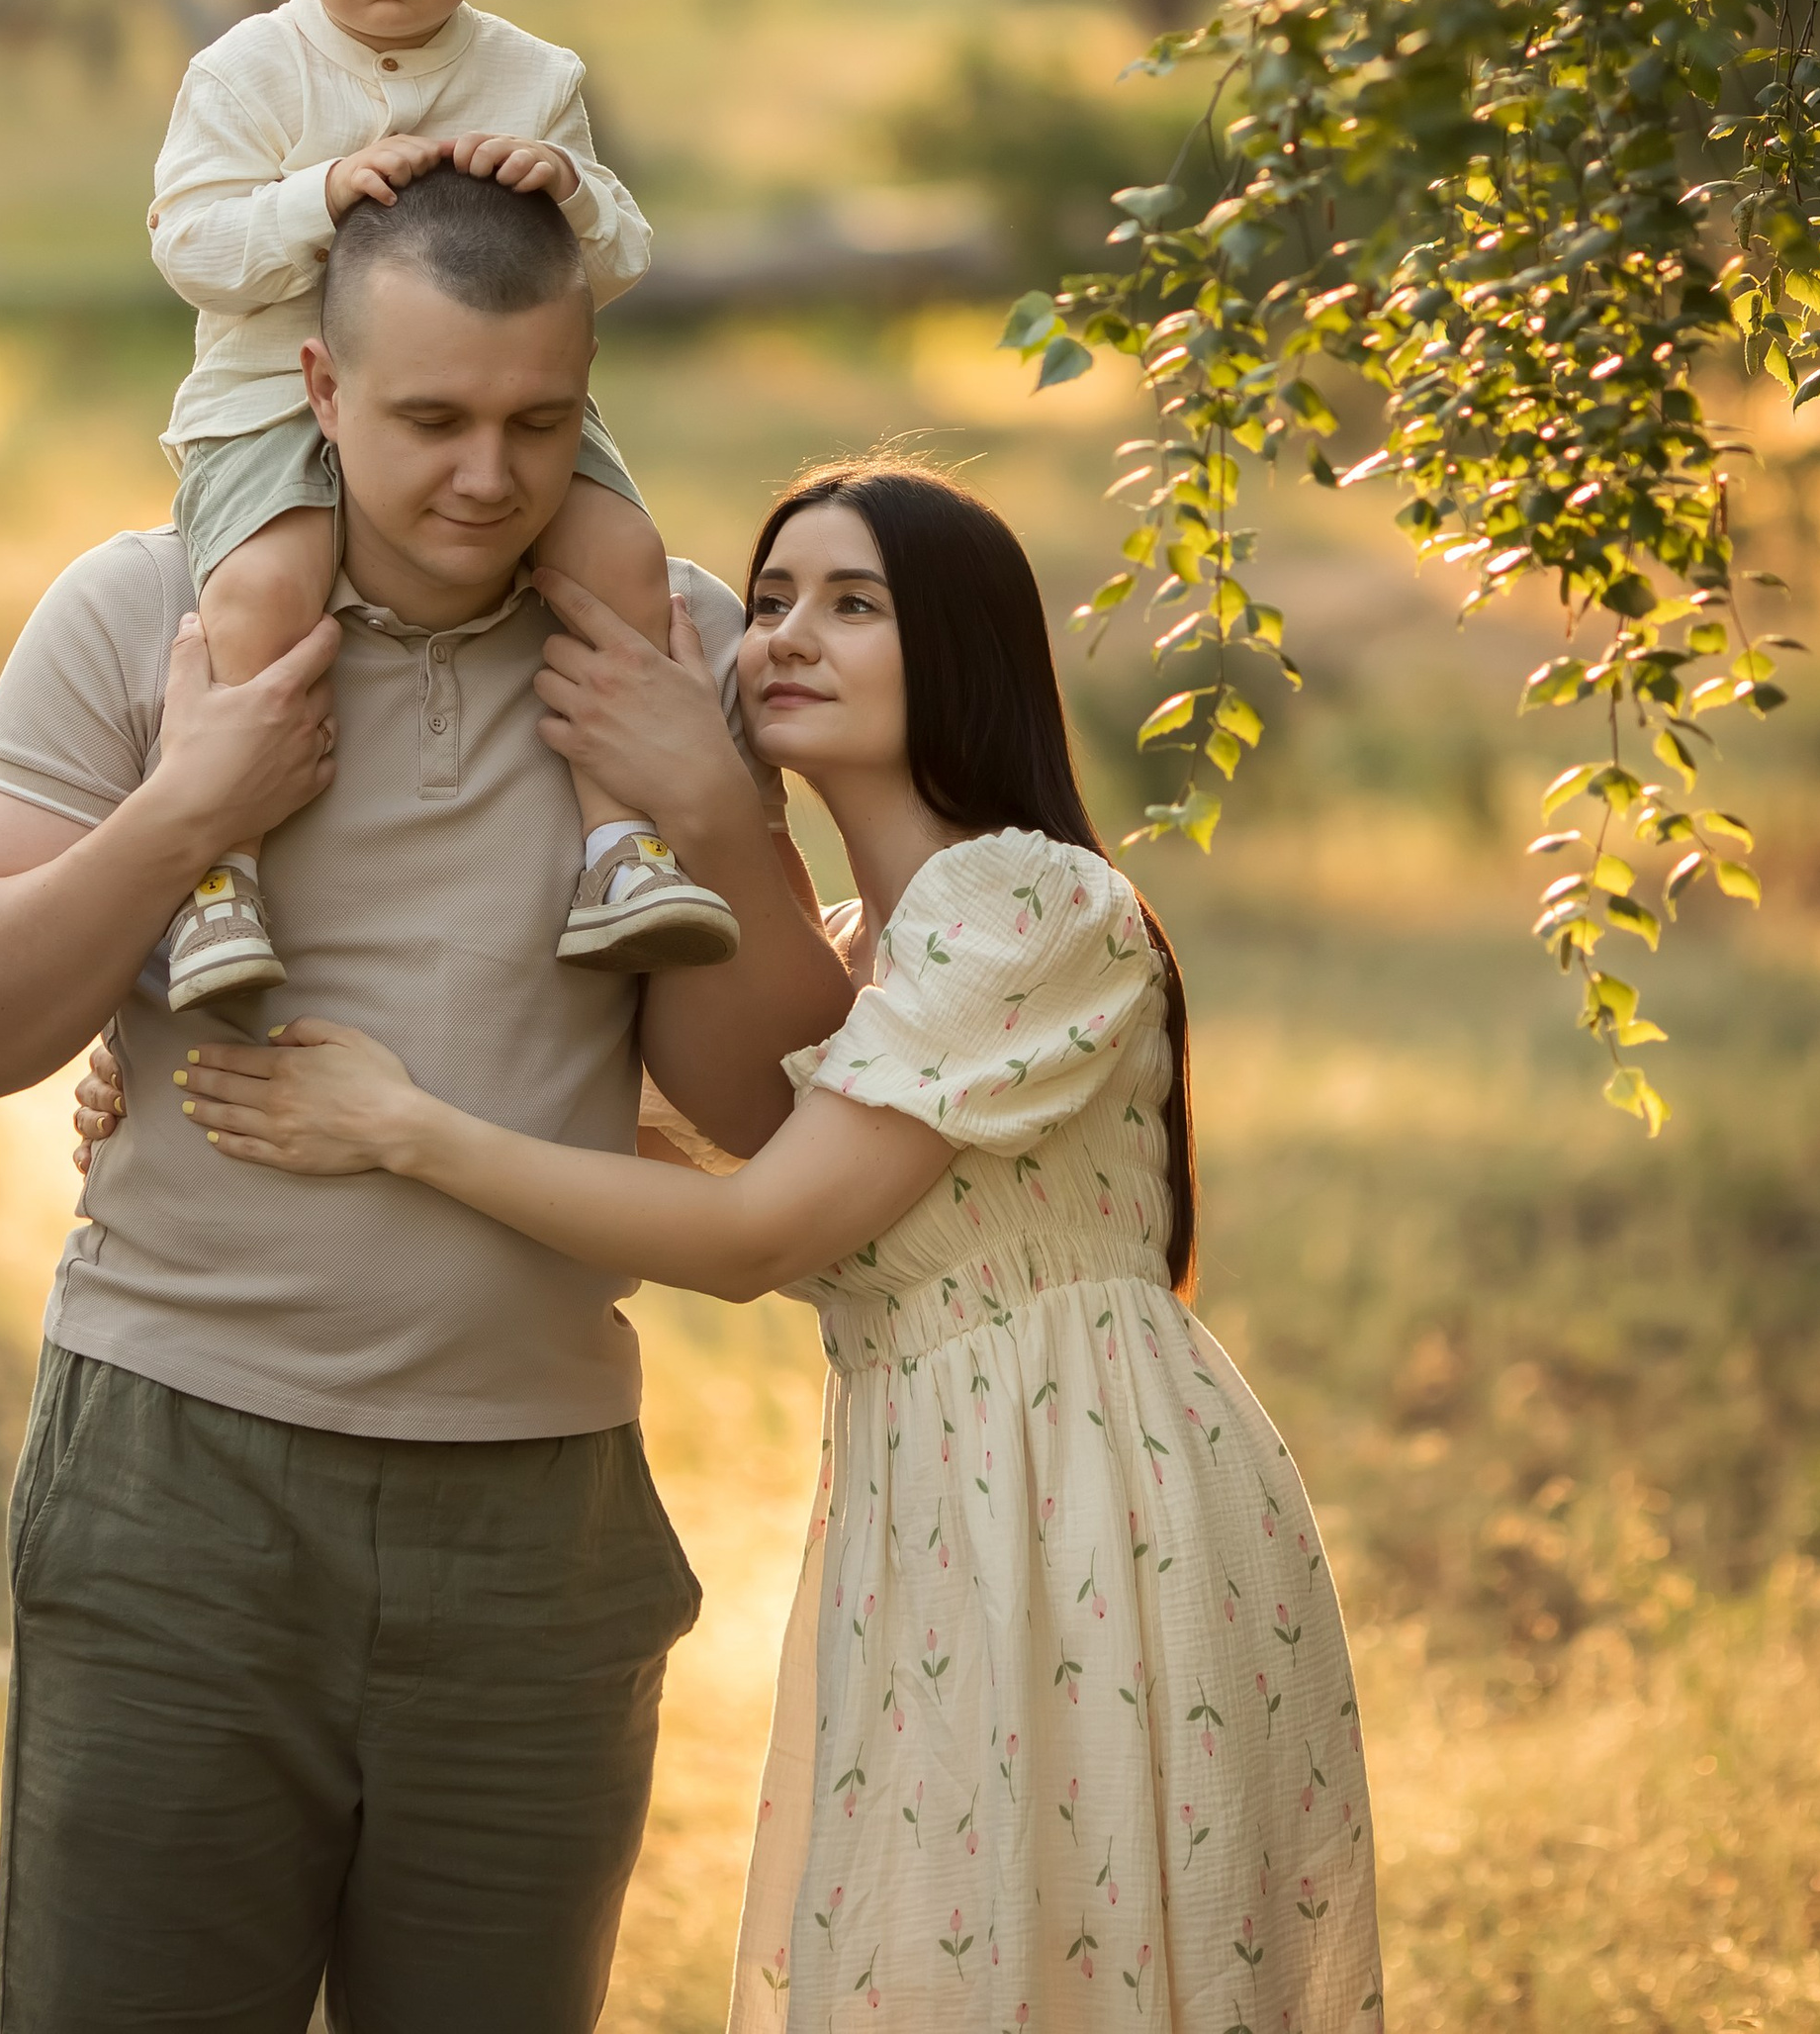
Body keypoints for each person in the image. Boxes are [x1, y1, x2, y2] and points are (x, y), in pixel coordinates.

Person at [128, 460, 1387, 2034]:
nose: (786, 634)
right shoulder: (861, 957)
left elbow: (743, 1230)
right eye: (771, 597)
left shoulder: (1030, 904)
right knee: (953, 1945)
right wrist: (173, 1080)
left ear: (966, 652)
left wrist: (399, 1128)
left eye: (854, 604)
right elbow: (601, 1137)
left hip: (1084, 1483)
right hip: (935, 1488)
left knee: (1079, 1948)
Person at [0, 164, 855, 2034]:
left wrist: (723, 814)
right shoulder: (145, 616)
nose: (488, 479)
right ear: (319, 389)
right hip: (181, 1486)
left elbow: (755, 1114)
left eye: (540, 423)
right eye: (428, 419)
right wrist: (189, 807)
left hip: (537, 1526)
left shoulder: (669, 642)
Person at [147, 0, 736, 1006]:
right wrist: (319, 200)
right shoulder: (248, 75)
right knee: (263, 588)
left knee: (625, 555)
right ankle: (216, 874)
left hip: (500, 401)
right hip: (268, 402)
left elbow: (624, 259)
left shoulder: (536, 81)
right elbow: (190, 245)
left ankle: (618, 847)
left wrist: (568, 190)